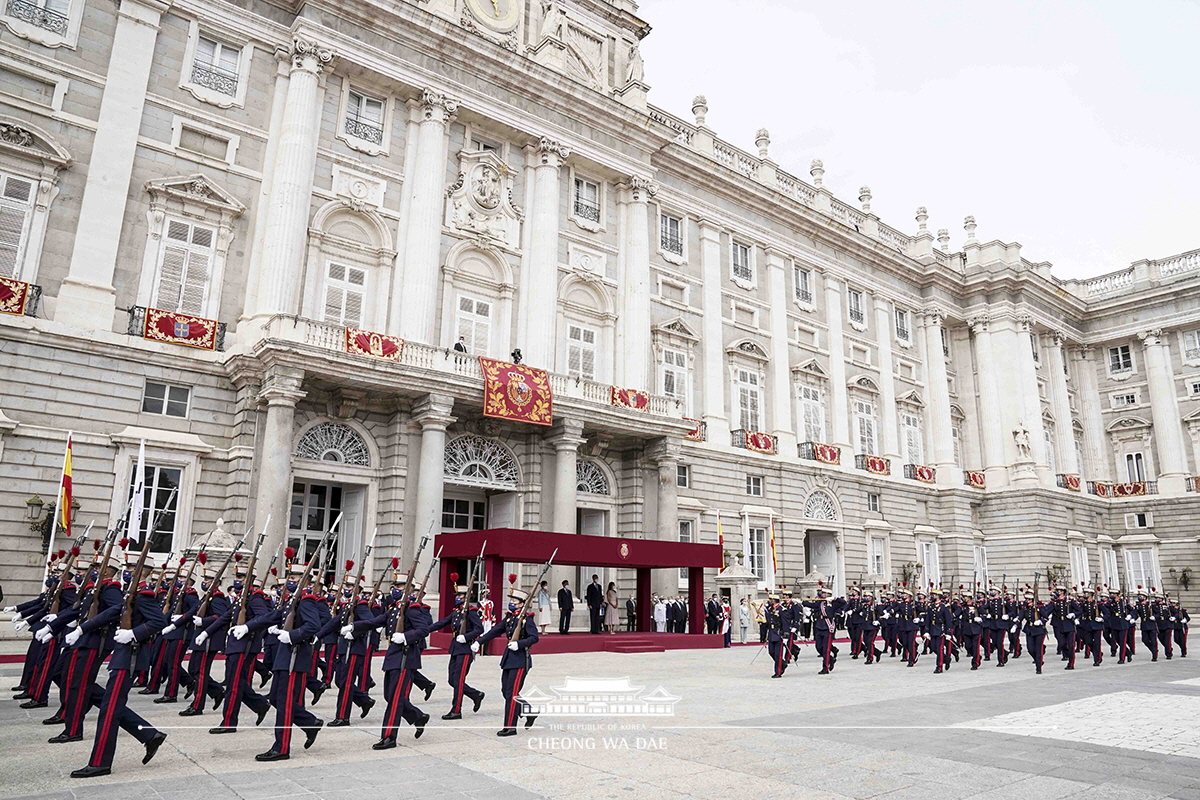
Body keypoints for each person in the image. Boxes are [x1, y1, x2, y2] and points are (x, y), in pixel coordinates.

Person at [69, 563, 169, 778]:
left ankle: (100, 763)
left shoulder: (144, 594)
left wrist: (133, 634)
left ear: (143, 572)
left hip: (130, 657)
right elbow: (111, 613)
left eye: (133, 568)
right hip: (122, 656)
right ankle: (150, 736)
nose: (128, 571)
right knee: (110, 706)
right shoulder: (130, 594)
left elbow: (159, 621)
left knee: (109, 710)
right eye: (128, 567)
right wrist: (81, 629)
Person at [476, 581, 539, 736]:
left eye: (514, 601)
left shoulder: (527, 619)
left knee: (512, 693)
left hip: (520, 660)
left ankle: (510, 726)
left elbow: (534, 638)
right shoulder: (510, 619)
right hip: (509, 659)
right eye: (510, 600)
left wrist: (520, 644)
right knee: (505, 691)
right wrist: (479, 641)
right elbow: (495, 630)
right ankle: (529, 711)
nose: (511, 603)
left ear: (521, 604)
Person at [426, 576, 485, 721]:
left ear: (466, 596)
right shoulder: (457, 612)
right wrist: (425, 630)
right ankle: (475, 694)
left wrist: (466, 636)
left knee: (458, 680)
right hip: (455, 648)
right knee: (452, 680)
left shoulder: (471, 612)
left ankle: (456, 710)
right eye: (457, 595)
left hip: (465, 649)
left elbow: (479, 629)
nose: (457, 598)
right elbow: (442, 623)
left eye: (460, 595)